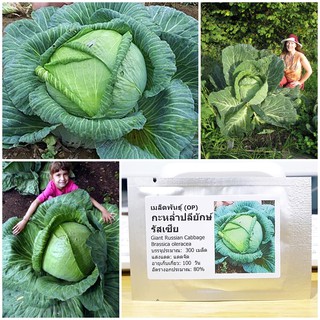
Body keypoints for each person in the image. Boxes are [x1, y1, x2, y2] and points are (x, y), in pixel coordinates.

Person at [12, 162, 114, 235]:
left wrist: (104, 210)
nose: (62, 178)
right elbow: (36, 202)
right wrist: (24, 220)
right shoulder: (51, 187)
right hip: (52, 209)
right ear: (52, 177)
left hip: (67, 209)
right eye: (58, 175)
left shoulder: (71, 185)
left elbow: (87, 197)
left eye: (65, 174)